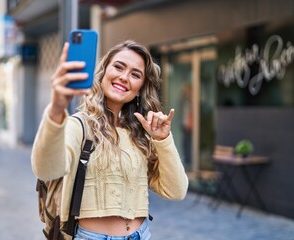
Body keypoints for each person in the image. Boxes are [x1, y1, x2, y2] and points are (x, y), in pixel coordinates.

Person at [31, 40, 188, 239]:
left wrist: (163, 139)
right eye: (118, 67)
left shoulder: (139, 134)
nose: (124, 77)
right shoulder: (78, 126)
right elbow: (45, 169)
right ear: (103, 71)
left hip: (141, 235)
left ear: (140, 88)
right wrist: (55, 109)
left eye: (135, 74)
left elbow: (176, 191)